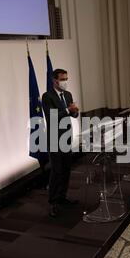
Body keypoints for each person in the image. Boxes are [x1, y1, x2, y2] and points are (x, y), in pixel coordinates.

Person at [42, 69, 80, 218]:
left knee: (66, 170)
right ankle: (53, 202)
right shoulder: (47, 96)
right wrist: (67, 109)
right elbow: (51, 117)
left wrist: (75, 111)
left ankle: (62, 198)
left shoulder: (68, 94)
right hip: (54, 139)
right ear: (54, 81)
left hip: (66, 137)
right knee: (56, 171)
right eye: (62, 79)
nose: (65, 81)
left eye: (66, 78)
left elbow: (73, 114)